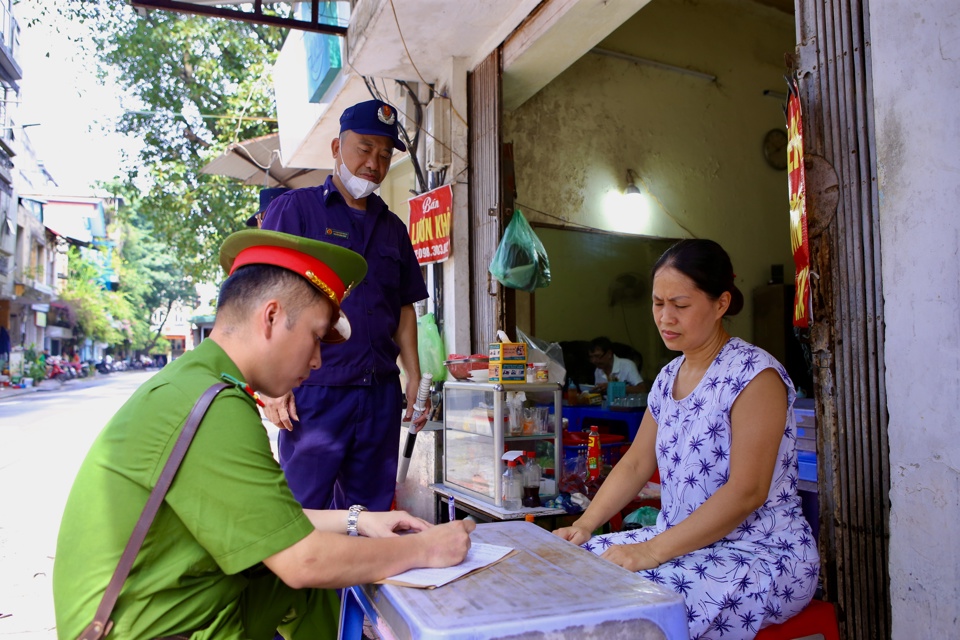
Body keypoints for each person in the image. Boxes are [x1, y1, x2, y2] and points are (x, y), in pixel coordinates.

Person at [53, 229, 474, 640]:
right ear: (271, 317)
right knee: (312, 572)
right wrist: (426, 549)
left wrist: (358, 519)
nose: (316, 361)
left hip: (167, 609)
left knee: (315, 580)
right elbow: (302, 559)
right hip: (154, 629)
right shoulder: (212, 406)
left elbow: (268, 523)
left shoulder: (197, 381)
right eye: (314, 338)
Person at [555, 239, 818, 640]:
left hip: (758, 555)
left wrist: (649, 552)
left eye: (680, 305)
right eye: (658, 304)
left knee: (638, 609)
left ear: (720, 304)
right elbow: (635, 463)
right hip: (680, 542)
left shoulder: (755, 376)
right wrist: (586, 525)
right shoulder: (666, 378)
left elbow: (747, 491)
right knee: (573, 570)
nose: (665, 317)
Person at [259, 99, 428, 513]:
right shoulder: (296, 211)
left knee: (368, 516)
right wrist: (272, 386)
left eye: (385, 154)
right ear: (336, 148)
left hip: (379, 396)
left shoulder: (393, 229)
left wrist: (414, 374)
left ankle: (359, 581)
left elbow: (404, 308)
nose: (374, 162)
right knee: (303, 513)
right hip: (315, 393)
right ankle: (303, 581)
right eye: (364, 148)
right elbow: (265, 297)